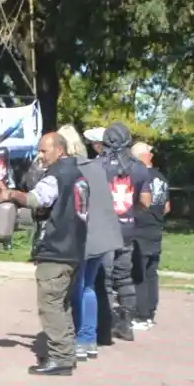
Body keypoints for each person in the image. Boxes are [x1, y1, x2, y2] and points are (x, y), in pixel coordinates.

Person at [0, 132, 88, 376]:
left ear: (59, 150)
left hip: (56, 250)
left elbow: (37, 199)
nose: (41, 156)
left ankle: (60, 360)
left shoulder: (56, 175)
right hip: (75, 248)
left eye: (44, 151)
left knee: (51, 306)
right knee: (62, 304)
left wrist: (11, 194)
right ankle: (65, 354)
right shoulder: (79, 175)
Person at [69, 127, 124, 362]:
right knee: (89, 288)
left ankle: (80, 339)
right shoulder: (96, 167)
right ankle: (89, 339)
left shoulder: (74, 170)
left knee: (77, 289)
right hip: (101, 237)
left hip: (84, 238)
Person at [98, 121, 152, 341]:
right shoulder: (139, 168)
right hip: (127, 229)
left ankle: (107, 322)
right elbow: (146, 202)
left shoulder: (98, 166)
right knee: (124, 277)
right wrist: (131, 211)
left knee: (105, 278)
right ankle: (126, 323)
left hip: (105, 229)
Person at [130, 142, 169, 330]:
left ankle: (140, 315)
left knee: (139, 274)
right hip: (156, 229)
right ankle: (151, 312)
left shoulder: (139, 176)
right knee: (152, 273)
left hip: (140, 229)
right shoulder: (161, 177)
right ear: (149, 156)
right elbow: (167, 206)